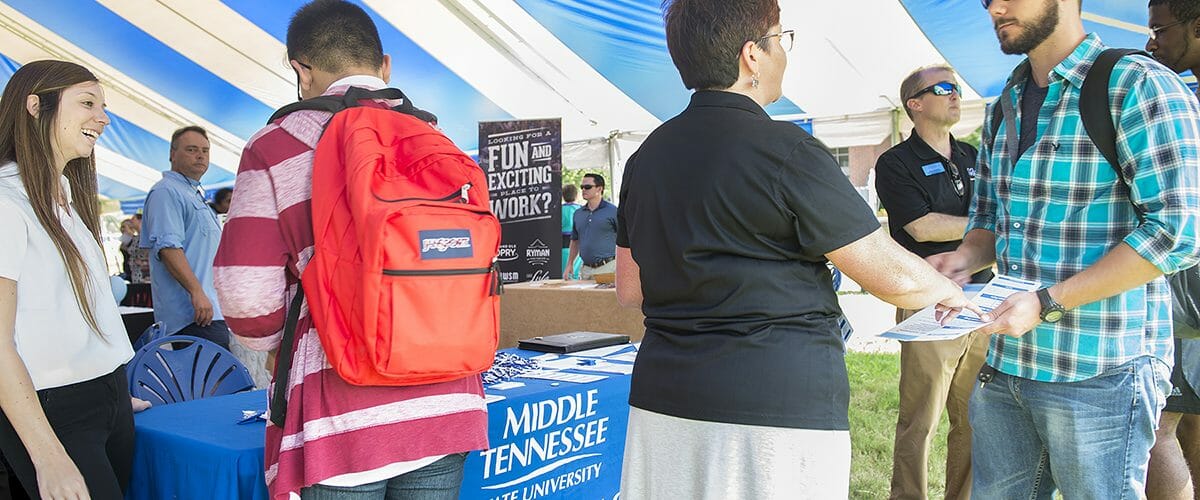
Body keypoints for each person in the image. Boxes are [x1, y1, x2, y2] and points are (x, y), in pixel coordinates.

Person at [614, 1, 982, 497]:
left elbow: (630, 289)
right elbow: (890, 275)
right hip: (773, 408)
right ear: (752, 55)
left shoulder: (644, 158)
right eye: (780, 38)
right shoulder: (785, 149)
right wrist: (949, 290)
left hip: (663, 398)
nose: (784, 52)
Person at [213, 1, 487, 498]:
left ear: (301, 69)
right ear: (386, 66)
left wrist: (276, 344)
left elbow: (248, 296)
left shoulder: (276, 143)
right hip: (450, 396)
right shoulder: (434, 137)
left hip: (340, 407)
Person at [929, 0, 1200, 497]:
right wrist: (963, 259)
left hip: (1101, 371)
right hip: (1008, 365)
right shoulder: (1005, 102)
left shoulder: (1139, 84)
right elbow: (990, 219)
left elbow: (1176, 233)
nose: (996, 8)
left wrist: (1047, 302)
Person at [0, 59, 139, 500]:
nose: (103, 118)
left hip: (109, 395)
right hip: (52, 410)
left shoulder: (64, 197)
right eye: (88, 103)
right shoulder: (6, 201)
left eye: (103, 106)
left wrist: (113, 395)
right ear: (35, 106)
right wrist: (48, 455)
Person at [874, 64, 992, 500]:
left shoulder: (972, 156)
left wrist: (982, 228)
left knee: (975, 417)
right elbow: (922, 227)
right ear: (915, 104)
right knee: (920, 419)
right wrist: (982, 226)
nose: (955, 94)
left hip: (982, 299)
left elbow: (994, 216)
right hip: (929, 301)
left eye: (956, 87)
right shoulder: (895, 163)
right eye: (943, 88)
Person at [1145, 1, 1200, 498]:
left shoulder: (1178, 105)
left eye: (1160, 30)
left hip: (1185, 289)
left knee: (1157, 423)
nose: (1151, 43)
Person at [140, 125, 229, 349]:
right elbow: (169, 249)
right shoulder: (166, 191)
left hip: (210, 311)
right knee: (210, 373)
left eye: (205, 150)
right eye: (191, 149)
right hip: (193, 317)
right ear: (172, 153)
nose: (200, 155)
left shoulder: (193, 194)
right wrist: (197, 292)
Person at [564, 173, 617, 280]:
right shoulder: (578, 213)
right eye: (582, 187)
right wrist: (569, 264)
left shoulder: (613, 211)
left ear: (599, 189)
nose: (583, 190)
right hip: (585, 270)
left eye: (587, 187)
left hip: (608, 268)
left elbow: (625, 240)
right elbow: (575, 241)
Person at [561, 183, 581, 279]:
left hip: (562, 245)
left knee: (564, 274)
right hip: (578, 246)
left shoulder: (558, 210)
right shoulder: (581, 210)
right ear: (576, 195)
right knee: (575, 275)